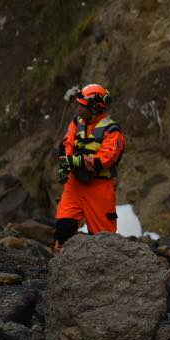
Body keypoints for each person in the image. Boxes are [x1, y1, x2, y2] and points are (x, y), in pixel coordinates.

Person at [53, 83, 124, 252]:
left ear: (95, 108)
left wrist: (76, 161)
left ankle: (105, 274)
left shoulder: (112, 131)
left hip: (99, 188)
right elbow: (66, 144)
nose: (79, 109)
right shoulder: (76, 123)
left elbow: (106, 159)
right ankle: (61, 267)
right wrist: (65, 165)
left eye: (82, 106)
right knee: (63, 230)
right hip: (75, 185)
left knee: (104, 241)